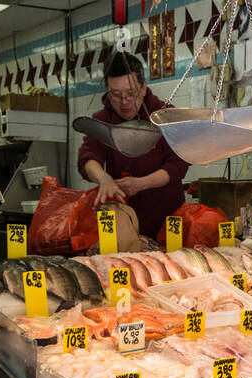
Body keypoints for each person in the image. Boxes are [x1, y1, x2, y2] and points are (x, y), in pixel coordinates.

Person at [76, 52, 189, 240]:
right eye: (116, 95)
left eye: (131, 93)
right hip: (122, 225)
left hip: (167, 223)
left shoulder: (166, 115)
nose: (125, 102)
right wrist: (103, 179)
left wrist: (142, 183)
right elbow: (88, 158)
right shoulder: (102, 120)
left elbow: (178, 164)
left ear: (143, 87)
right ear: (107, 90)